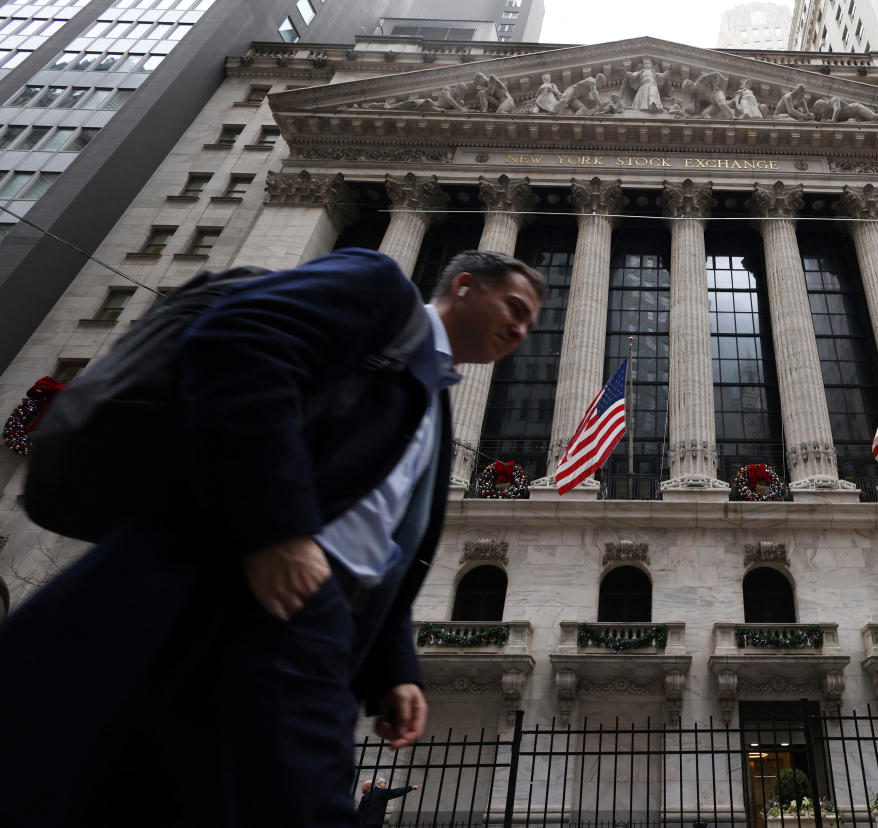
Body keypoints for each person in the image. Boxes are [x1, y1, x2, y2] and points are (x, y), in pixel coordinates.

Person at [0, 248, 546, 828]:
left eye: (532, 322)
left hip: (316, 613)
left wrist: (395, 667)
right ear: (463, 285)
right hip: (251, 579)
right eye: (514, 307)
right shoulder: (381, 292)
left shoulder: (433, 398)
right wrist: (275, 525)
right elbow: (235, 339)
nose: (521, 329)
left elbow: (383, 535)